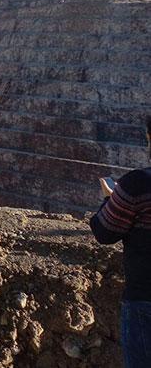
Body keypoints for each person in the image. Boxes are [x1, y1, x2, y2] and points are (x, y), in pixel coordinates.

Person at [90, 116, 151, 368]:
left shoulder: (137, 184)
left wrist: (110, 200)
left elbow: (104, 232)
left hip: (144, 302)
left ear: (149, 137)